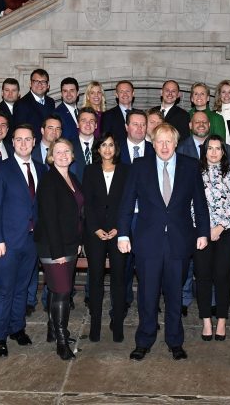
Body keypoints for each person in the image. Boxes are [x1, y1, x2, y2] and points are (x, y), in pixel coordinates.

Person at [118, 123, 209, 361]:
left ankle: (174, 341)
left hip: (179, 241)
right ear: (153, 143)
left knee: (174, 294)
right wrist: (123, 234)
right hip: (148, 241)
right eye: (160, 141)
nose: (165, 146)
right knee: (147, 294)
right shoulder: (140, 166)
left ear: (176, 143)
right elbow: (127, 203)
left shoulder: (190, 166)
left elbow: (200, 204)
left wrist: (203, 233)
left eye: (169, 141)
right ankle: (144, 340)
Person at [0, 124, 46, 358]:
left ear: (34, 142)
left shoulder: (41, 169)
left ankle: (17, 328)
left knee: (22, 288)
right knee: (3, 290)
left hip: (32, 241)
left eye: (27, 139)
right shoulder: (1, 169)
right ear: (13, 142)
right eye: (18, 139)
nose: (23, 143)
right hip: (7, 242)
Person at [35, 138, 84, 360]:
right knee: (63, 291)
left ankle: (53, 330)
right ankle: (62, 342)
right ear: (51, 156)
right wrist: (58, 253)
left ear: (72, 155)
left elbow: (77, 213)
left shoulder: (72, 177)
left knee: (58, 289)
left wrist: (80, 240)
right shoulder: (48, 180)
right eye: (58, 151)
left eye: (67, 151)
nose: (63, 155)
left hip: (71, 243)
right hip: (54, 246)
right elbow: (49, 219)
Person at [194, 135, 230, 341]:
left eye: (217, 148)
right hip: (201, 233)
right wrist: (206, 229)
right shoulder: (195, 172)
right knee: (203, 276)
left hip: (227, 232)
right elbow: (190, 203)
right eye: (209, 148)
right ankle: (206, 321)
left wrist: (220, 226)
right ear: (204, 151)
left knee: (222, 276)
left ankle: (221, 320)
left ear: (223, 151)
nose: (213, 152)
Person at [82, 133, 129, 343]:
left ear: (115, 148)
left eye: (111, 145)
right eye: (103, 145)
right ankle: (95, 329)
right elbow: (87, 204)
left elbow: (128, 202)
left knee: (119, 280)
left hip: (119, 233)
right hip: (96, 234)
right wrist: (95, 228)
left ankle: (118, 328)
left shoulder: (126, 170)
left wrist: (120, 228)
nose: (107, 149)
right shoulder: (90, 170)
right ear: (98, 149)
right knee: (96, 280)